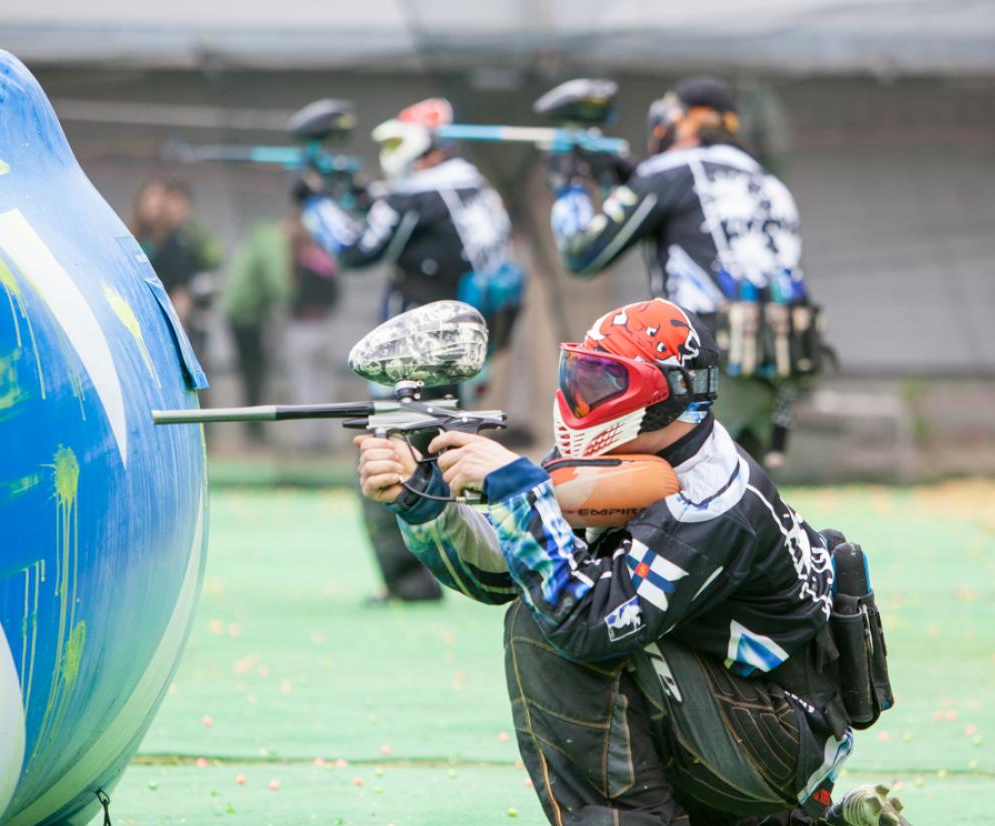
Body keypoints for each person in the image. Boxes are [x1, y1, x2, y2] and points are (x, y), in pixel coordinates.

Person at [355, 299, 933, 826]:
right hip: (734, 710)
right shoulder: (634, 455)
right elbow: (508, 574)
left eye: (604, 382)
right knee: (551, 606)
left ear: (663, 399)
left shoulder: (710, 501)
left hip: (777, 739)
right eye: (580, 375)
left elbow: (584, 623)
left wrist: (519, 492)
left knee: (544, 631)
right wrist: (424, 500)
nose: (581, 397)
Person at [302, 97, 525, 603]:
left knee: (387, 459)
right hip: (465, 348)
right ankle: (469, 567)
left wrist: (314, 201)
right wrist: (360, 194)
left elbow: (353, 249)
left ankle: (410, 582)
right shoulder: (474, 188)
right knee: (445, 459)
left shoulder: (416, 196)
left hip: (415, 358)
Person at [547, 77, 825, 468]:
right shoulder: (767, 181)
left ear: (679, 121)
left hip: (704, 363)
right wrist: (631, 178)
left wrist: (569, 185)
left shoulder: (670, 173)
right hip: (779, 359)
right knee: (746, 487)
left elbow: (581, 252)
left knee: (685, 485)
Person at [223, 201, 341, 450]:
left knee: (264, 375)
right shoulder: (276, 243)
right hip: (249, 317)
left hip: (258, 317)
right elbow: (279, 286)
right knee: (257, 374)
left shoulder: (269, 240)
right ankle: (259, 431)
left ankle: (270, 432)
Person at [129, 177, 223, 357]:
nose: (156, 207)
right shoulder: (133, 240)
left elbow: (183, 286)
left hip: (168, 325)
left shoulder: (180, 242)